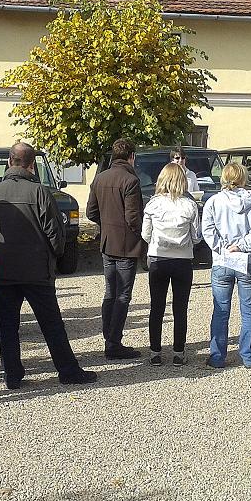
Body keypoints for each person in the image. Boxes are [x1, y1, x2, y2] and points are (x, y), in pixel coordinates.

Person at [0, 142, 97, 389]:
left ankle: (12, 375)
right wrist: (53, 257)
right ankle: (67, 371)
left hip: (6, 269)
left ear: (9, 161)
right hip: (37, 270)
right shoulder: (40, 192)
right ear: (32, 165)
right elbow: (55, 233)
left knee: (8, 324)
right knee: (51, 323)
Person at [202, 163, 251, 369]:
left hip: (222, 260)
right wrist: (242, 246)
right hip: (248, 260)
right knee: (249, 311)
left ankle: (217, 357)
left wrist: (222, 248)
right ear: (243, 178)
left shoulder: (213, 201)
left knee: (221, 310)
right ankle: (250, 357)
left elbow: (207, 230)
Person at [86, 138, 144, 360]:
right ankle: (113, 342)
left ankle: (108, 337)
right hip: (126, 244)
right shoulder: (131, 180)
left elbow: (91, 212)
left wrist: (107, 224)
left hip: (107, 241)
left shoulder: (100, 178)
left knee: (110, 292)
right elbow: (132, 217)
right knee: (122, 295)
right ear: (132, 156)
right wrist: (142, 234)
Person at [141, 163, 200, 367]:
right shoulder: (190, 205)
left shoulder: (153, 204)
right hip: (182, 260)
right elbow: (196, 236)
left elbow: (145, 234)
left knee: (156, 307)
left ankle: (155, 352)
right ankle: (178, 352)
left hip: (158, 257)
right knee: (180, 308)